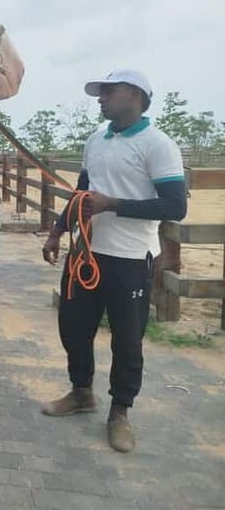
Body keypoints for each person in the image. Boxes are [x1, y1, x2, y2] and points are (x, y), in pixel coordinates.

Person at [41, 69, 186, 453]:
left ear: (136, 96)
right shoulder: (96, 141)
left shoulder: (159, 145)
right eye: (100, 92)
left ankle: (120, 411)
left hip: (130, 259)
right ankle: (81, 392)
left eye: (109, 91)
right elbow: (82, 194)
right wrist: (58, 230)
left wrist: (113, 205)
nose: (101, 98)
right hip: (86, 253)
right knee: (72, 327)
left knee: (127, 340)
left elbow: (176, 205)